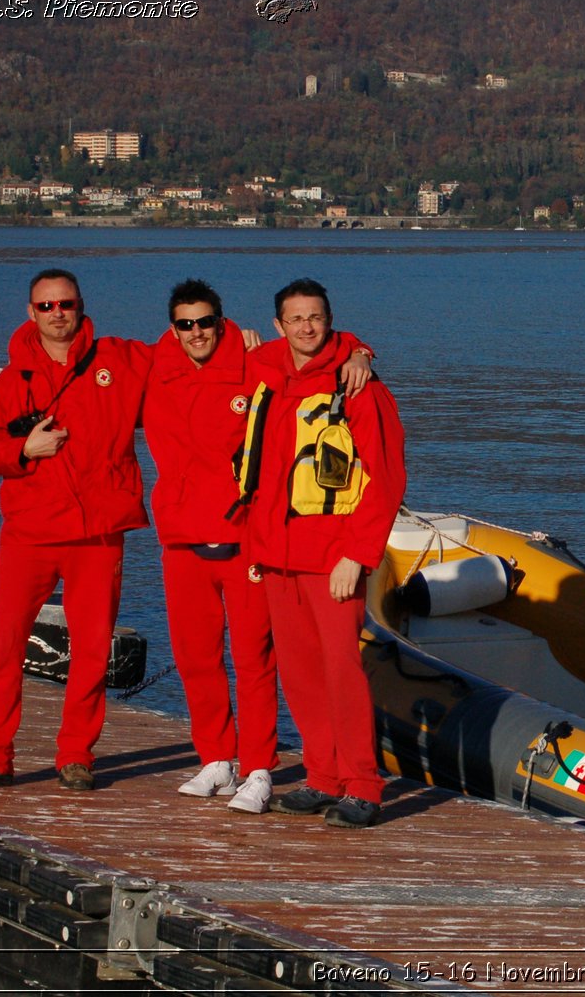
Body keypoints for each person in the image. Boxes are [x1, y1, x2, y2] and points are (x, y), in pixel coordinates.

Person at [145, 280, 371, 813]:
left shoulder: (256, 363)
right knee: (196, 656)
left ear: (224, 321)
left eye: (206, 321)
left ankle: (261, 767)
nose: (197, 332)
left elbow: (317, 342)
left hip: (247, 538)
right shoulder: (155, 365)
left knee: (256, 659)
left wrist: (359, 350)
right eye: (186, 323)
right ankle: (217, 757)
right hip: (182, 536)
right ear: (173, 327)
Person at [0, 269, 151, 791]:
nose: (57, 313)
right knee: (3, 645)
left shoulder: (121, 360)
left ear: (81, 306)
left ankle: (76, 755)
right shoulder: (13, 378)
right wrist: (21, 450)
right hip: (31, 532)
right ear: (31, 313)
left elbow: (195, 352)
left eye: (65, 303)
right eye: (46, 306)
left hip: (98, 531)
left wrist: (353, 348)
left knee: (92, 649)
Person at [237, 279, 405, 828]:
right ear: (279, 324)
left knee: (342, 670)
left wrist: (357, 554)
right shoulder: (263, 369)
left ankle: (362, 784)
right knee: (301, 673)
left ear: (331, 321)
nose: (307, 327)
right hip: (277, 554)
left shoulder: (358, 386)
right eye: (296, 319)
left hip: (333, 557)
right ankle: (322, 775)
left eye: (316, 317)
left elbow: (386, 479)